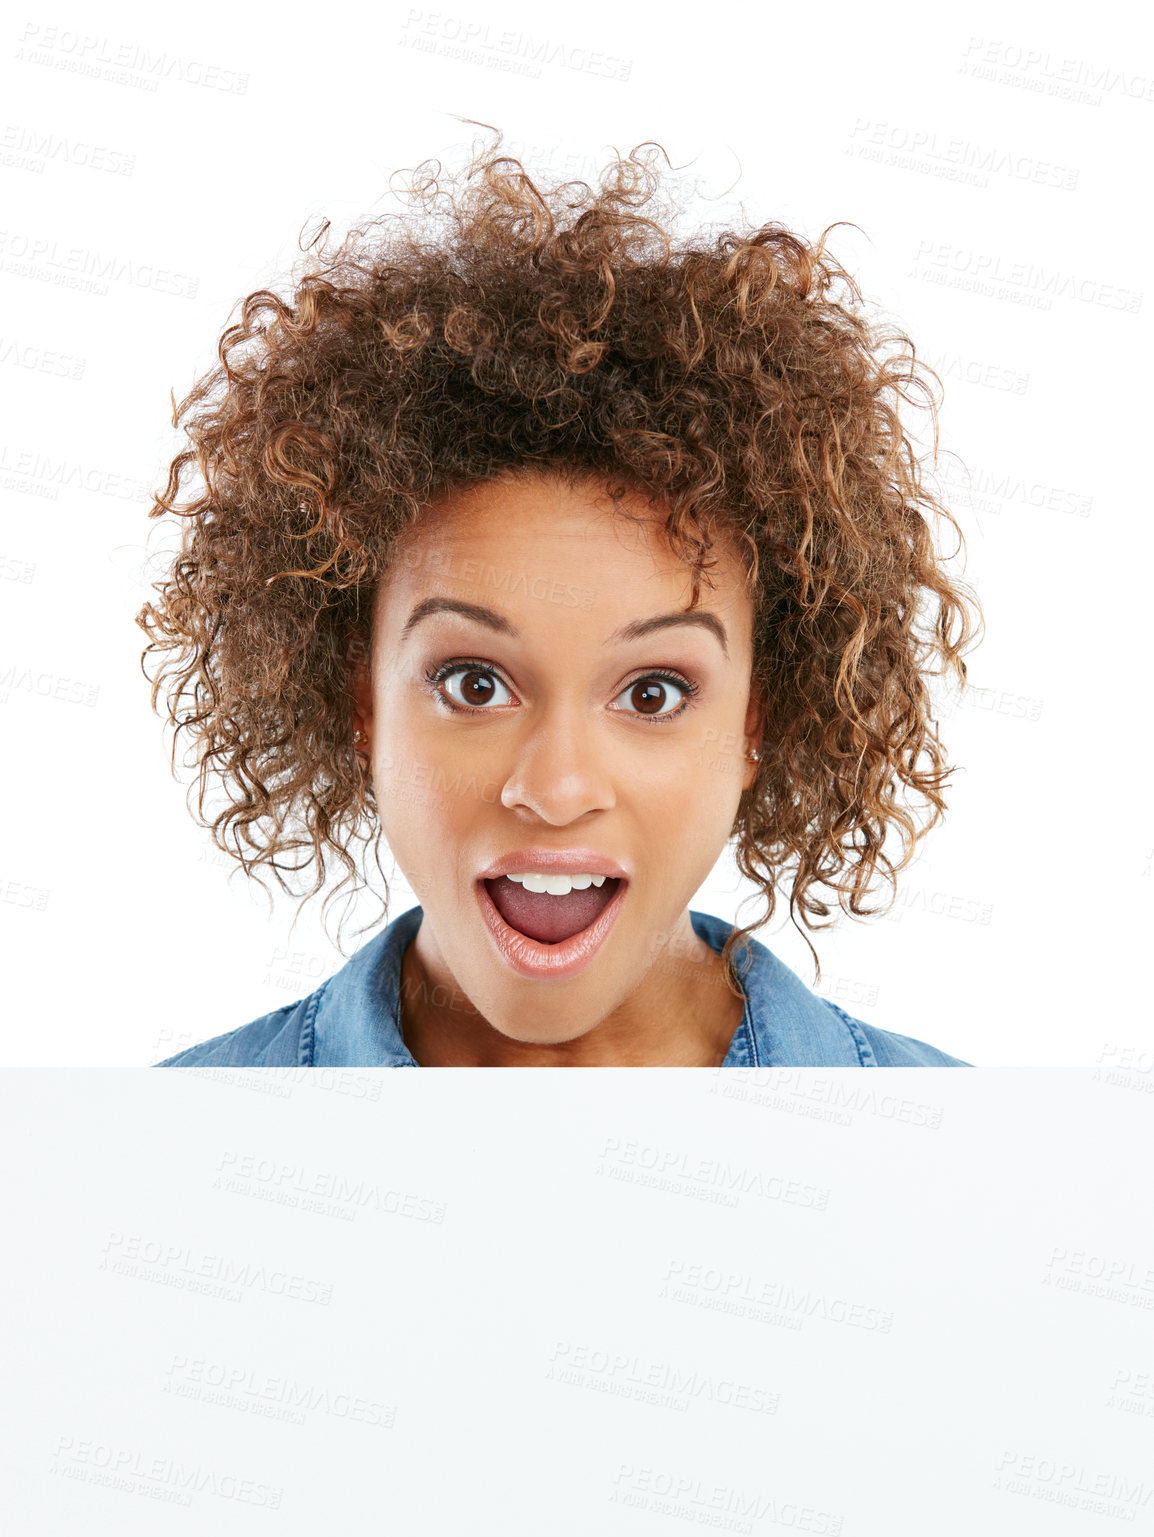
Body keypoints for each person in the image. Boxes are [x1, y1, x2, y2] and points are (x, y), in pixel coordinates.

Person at [138, 132, 981, 1068]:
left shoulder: (979, 1171)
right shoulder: (143, 1160)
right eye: (471, 683)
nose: (555, 789)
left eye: (654, 692)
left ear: (758, 719)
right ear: (359, 701)